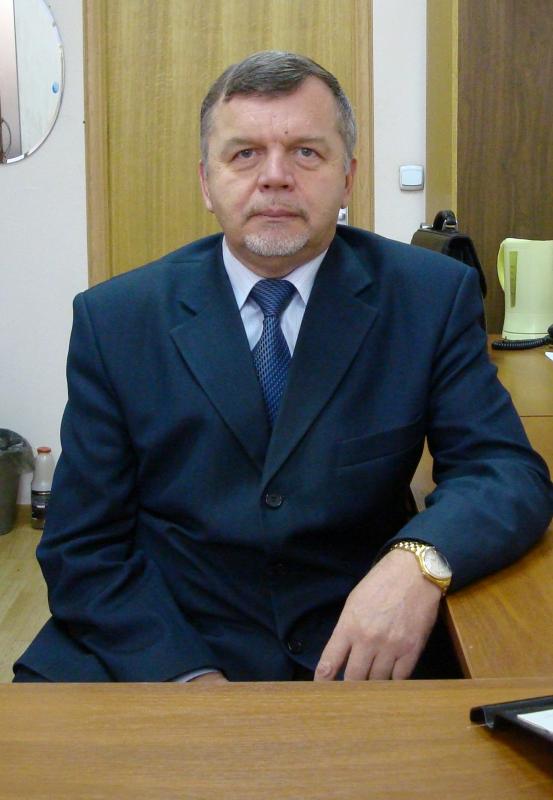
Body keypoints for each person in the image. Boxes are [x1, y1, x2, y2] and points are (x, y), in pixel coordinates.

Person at [14, 51, 552, 684]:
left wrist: (418, 563)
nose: (275, 177)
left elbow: (505, 472)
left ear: (347, 177)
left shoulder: (430, 297)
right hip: (165, 631)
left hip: (359, 638)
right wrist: (183, 678)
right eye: (244, 154)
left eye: (306, 152)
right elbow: (82, 547)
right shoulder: (117, 319)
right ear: (206, 183)